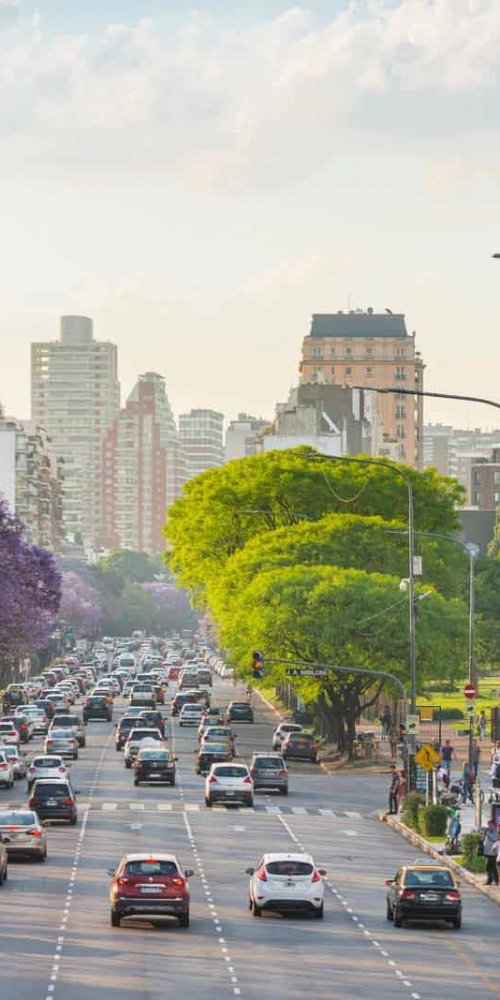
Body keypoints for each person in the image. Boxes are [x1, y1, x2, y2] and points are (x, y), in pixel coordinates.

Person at [483, 821, 499, 886]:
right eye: (488, 825)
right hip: (487, 852)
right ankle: (489, 880)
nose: (489, 826)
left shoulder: (496, 832)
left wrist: (488, 834)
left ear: (493, 825)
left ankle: (495, 881)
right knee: (487, 867)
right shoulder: (487, 831)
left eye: (490, 825)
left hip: (493, 853)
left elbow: (494, 839)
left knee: (493, 867)